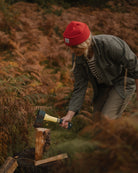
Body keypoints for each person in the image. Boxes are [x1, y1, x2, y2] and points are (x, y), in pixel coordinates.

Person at [60, 21, 138, 129]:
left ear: (85, 42)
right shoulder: (78, 57)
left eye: (75, 47)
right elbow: (80, 86)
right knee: (97, 122)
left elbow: (135, 67)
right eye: (70, 47)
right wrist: (69, 115)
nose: (72, 51)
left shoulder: (110, 45)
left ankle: (118, 144)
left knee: (106, 120)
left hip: (122, 82)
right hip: (102, 86)